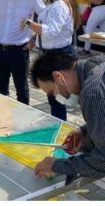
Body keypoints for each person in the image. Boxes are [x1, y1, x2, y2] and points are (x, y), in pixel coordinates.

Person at [31, 51, 105, 179]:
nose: (55, 97)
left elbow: (102, 162)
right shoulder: (97, 62)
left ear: (58, 77)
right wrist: (84, 131)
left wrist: (55, 165)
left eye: (52, 92)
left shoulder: (92, 93)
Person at [23, 0, 81, 120]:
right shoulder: (56, 3)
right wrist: (35, 38)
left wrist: (29, 23)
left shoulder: (60, 5)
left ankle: (60, 124)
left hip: (58, 55)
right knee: (55, 96)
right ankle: (59, 122)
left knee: (56, 96)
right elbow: (49, 28)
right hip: (55, 53)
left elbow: (51, 31)